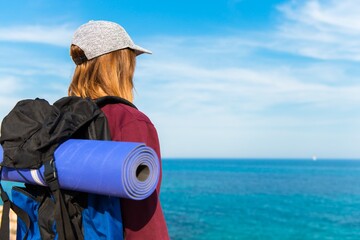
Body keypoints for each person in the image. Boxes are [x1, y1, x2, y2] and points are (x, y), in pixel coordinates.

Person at [68, 20, 169, 239]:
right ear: (119, 64)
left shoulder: (59, 119)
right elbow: (142, 219)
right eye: (131, 60)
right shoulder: (130, 121)